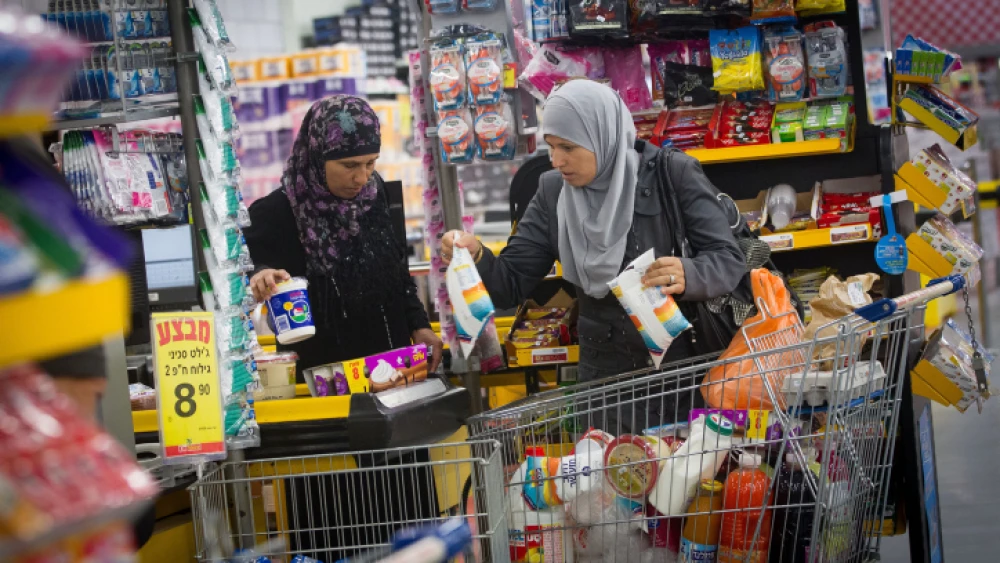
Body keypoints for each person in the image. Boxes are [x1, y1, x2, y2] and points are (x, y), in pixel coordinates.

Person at [443, 80, 746, 432]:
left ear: (603, 136)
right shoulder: (553, 192)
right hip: (602, 383)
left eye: (568, 147)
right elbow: (509, 284)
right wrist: (476, 255)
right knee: (608, 467)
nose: (556, 160)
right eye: (551, 146)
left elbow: (728, 258)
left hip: (680, 376)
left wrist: (688, 273)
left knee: (682, 466)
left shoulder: (672, 174)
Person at [244, 96, 442, 377]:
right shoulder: (276, 212)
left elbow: (396, 271)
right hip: (325, 382)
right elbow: (242, 271)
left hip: (393, 371)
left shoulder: (375, 196)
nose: (362, 178)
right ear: (317, 154)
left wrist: (418, 324)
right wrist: (260, 275)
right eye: (349, 165)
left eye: (371, 163)